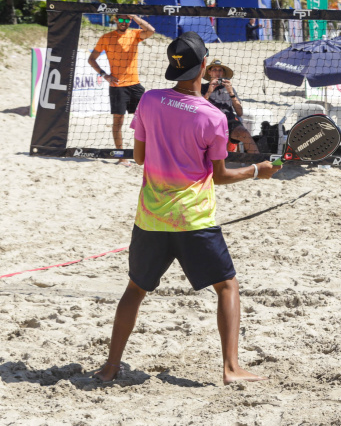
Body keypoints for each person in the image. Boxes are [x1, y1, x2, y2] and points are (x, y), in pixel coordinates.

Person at [93, 31, 282, 385]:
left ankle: (110, 366)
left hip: (151, 217)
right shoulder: (213, 117)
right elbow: (219, 176)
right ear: (205, 66)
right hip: (194, 219)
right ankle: (230, 368)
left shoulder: (148, 100)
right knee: (227, 287)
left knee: (135, 288)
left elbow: (138, 157)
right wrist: (258, 171)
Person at [88, 14, 156, 165]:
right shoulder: (106, 37)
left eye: (127, 20)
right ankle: (121, 156)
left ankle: (146, 154)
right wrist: (104, 75)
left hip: (135, 85)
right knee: (118, 122)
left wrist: (134, 16)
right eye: (121, 19)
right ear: (115, 20)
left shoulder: (135, 34)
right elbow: (91, 59)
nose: (124, 22)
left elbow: (151, 30)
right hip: (117, 87)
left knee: (144, 121)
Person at [203, 59, 259, 153]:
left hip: (228, 121)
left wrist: (231, 93)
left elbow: (240, 113)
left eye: (220, 70)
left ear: (223, 73)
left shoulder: (229, 88)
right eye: (214, 70)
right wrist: (209, 91)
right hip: (209, 123)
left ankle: (259, 163)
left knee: (244, 133)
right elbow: (198, 109)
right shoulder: (202, 88)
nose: (217, 73)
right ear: (209, 72)